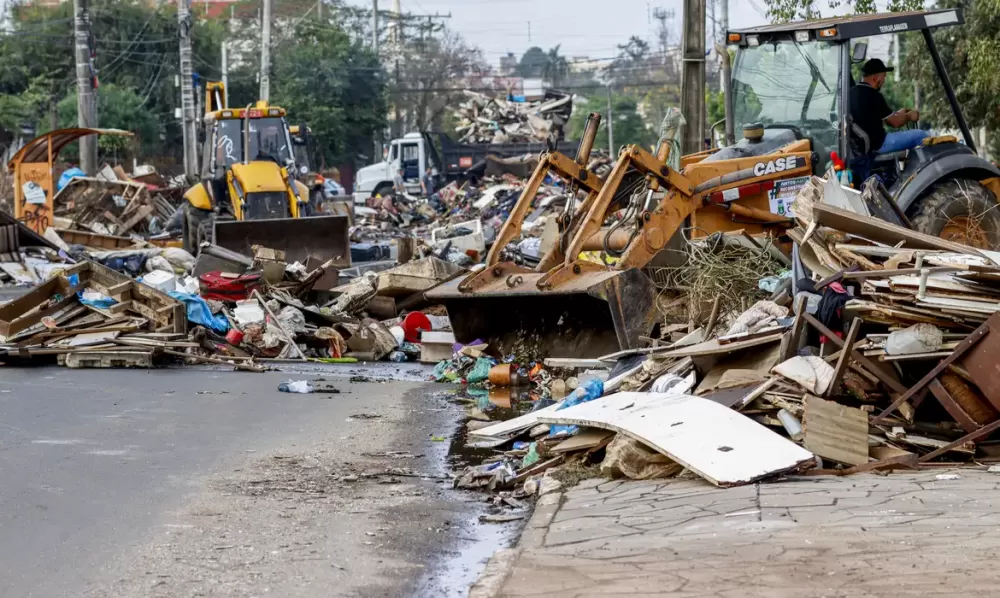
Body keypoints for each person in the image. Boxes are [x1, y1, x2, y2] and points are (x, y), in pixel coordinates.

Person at [850, 58, 927, 182]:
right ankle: (922, 177)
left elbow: (888, 117)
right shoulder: (874, 95)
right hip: (879, 144)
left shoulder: (852, 93)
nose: (884, 81)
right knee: (921, 135)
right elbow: (895, 123)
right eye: (884, 77)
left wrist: (900, 113)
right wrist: (909, 116)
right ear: (876, 78)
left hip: (862, 147)